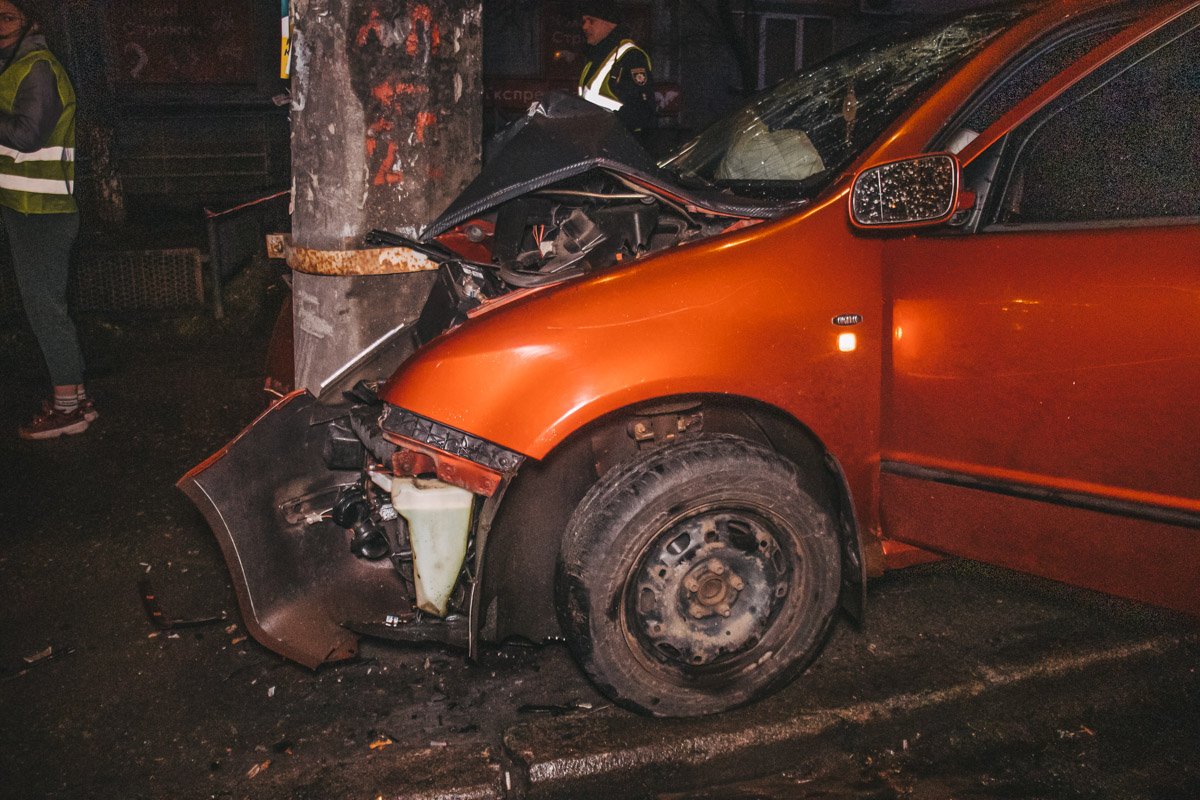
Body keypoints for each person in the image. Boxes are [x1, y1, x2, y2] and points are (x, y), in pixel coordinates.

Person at [0, 0, 92, 439]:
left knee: (44, 309)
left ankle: (67, 410)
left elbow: (26, 134)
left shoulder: (35, 67)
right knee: (49, 305)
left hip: (40, 212)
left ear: (31, 21)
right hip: (33, 208)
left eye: (7, 17)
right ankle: (74, 396)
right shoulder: (19, 64)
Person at [577, 2, 655, 140]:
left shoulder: (631, 57)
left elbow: (642, 112)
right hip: (596, 146)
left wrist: (604, 128)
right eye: (584, 21)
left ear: (610, 23)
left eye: (592, 21)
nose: (585, 26)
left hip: (621, 146)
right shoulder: (595, 58)